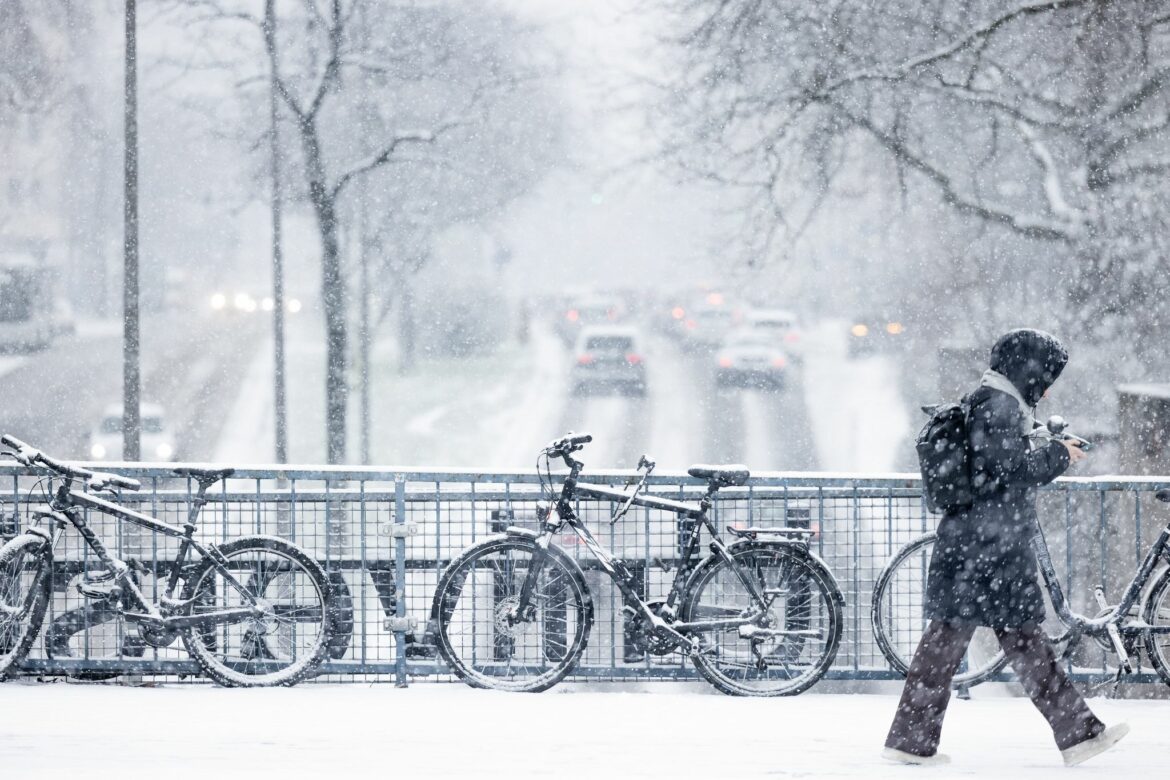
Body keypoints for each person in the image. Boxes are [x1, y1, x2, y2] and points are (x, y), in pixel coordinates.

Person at [882, 328, 1129, 767]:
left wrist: (1042, 441)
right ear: (1027, 368)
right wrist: (1058, 456)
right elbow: (1009, 469)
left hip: (978, 545)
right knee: (1004, 643)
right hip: (988, 548)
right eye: (1046, 375)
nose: (1049, 386)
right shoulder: (999, 405)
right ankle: (1078, 735)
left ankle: (912, 741)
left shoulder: (994, 399)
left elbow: (994, 461)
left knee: (969, 643)